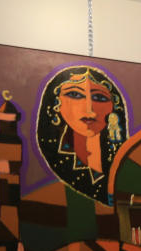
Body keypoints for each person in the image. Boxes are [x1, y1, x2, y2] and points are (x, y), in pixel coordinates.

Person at [35, 65, 128, 205]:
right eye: (74, 94)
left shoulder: (128, 161)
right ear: (56, 104)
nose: (89, 108)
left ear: (114, 106)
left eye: (99, 97)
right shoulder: (47, 187)